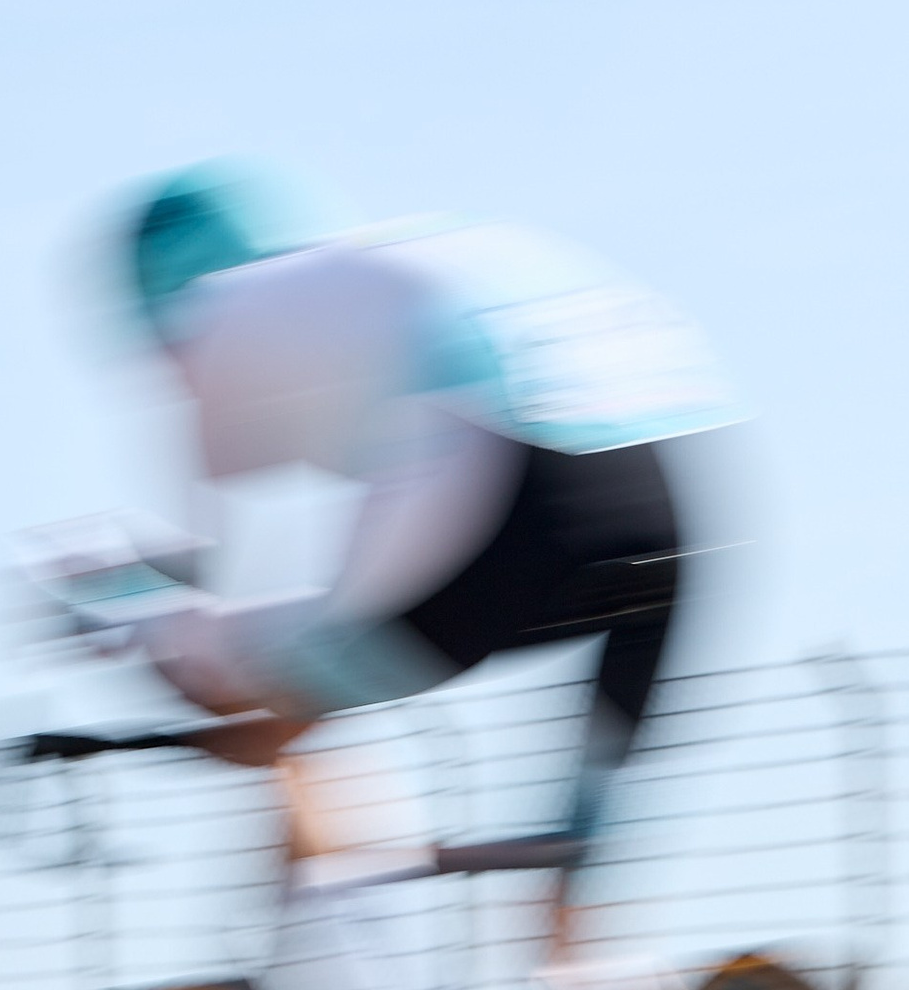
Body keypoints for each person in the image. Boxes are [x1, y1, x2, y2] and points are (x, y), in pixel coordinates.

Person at [53, 162, 735, 908]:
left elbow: (237, 583)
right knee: (582, 828)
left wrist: (117, 596)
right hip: (666, 494)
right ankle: (576, 959)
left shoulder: (222, 315)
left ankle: (347, 932)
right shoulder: (366, 275)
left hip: (505, 494)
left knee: (252, 674)